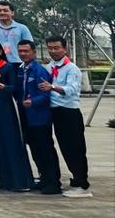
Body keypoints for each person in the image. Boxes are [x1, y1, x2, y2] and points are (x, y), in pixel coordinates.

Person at [0, 39, 32, 191]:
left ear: (0, 51)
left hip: (6, 108)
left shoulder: (8, 67)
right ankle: (3, 179)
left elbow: (16, 88)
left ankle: (19, 181)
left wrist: (5, 87)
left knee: (11, 143)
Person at [43, 35, 91, 197]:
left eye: (57, 48)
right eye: (50, 48)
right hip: (55, 111)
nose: (53, 51)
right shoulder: (49, 67)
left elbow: (71, 90)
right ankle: (76, 180)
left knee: (75, 148)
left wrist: (52, 87)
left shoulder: (72, 69)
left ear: (65, 49)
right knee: (65, 148)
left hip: (69, 112)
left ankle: (83, 185)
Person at [16, 40, 61, 195]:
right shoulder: (22, 69)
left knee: (46, 150)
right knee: (35, 149)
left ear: (34, 52)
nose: (23, 54)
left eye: (26, 51)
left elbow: (45, 95)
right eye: (20, 51)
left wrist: (32, 102)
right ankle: (44, 178)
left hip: (39, 117)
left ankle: (54, 182)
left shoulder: (39, 71)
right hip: (27, 117)